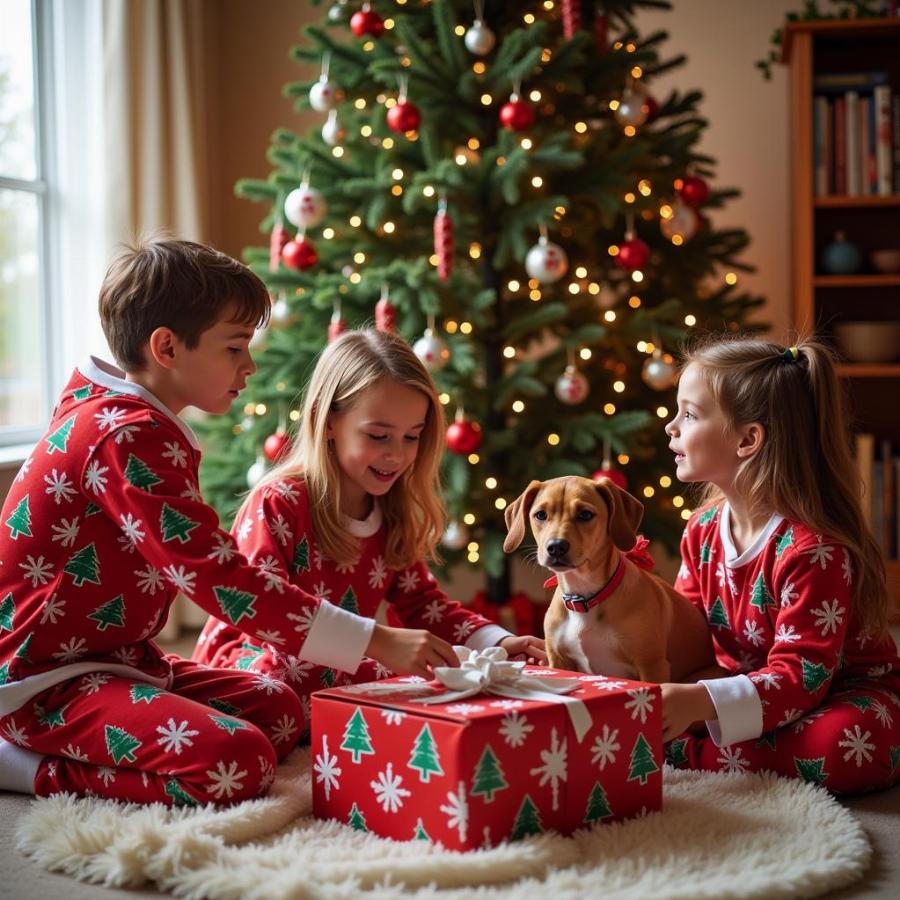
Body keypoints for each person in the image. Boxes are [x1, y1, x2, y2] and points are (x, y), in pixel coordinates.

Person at [0, 238, 465, 807]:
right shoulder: (126, 435)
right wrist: (376, 640)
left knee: (277, 714)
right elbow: (224, 581)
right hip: (42, 681)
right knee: (237, 764)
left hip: (122, 662)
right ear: (168, 347)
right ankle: (21, 767)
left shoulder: (130, 420)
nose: (249, 365)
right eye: (235, 347)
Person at [193, 328, 546, 728]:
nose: (396, 454)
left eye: (412, 437)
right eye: (378, 436)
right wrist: (381, 652)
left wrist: (495, 644)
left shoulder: (391, 509)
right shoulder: (280, 503)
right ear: (326, 422)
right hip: (250, 659)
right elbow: (262, 619)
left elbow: (422, 604)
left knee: (412, 677)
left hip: (330, 663)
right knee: (326, 682)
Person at [661, 334, 900, 793]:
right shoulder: (702, 529)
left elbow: (802, 676)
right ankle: (730, 743)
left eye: (688, 415)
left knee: (847, 745)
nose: (671, 427)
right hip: (742, 688)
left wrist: (699, 703)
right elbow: (684, 633)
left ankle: (695, 755)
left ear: (748, 439)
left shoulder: (812, 550)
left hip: (837, 694)